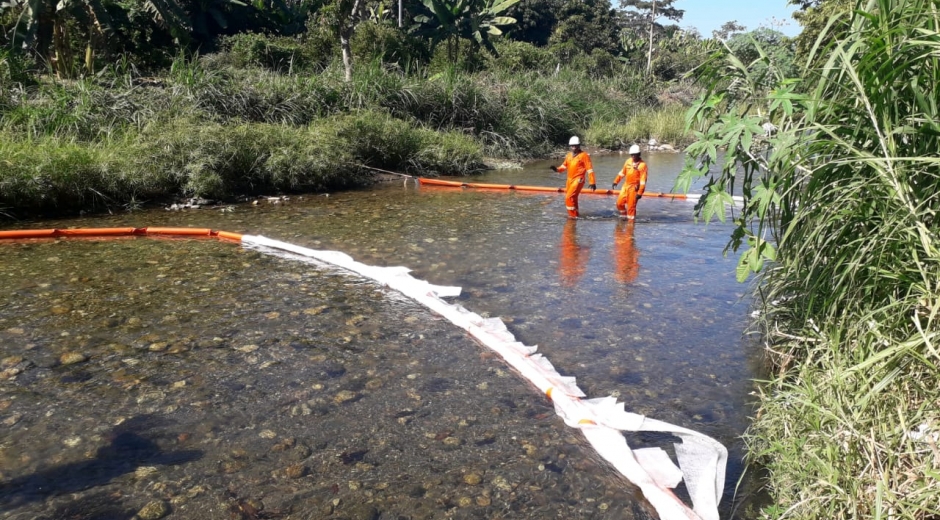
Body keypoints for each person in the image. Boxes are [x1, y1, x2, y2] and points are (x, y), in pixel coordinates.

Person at [549, 136, 596, 219]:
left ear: (579, 145)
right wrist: (556, 169)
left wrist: (592, 182)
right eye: (572, 145)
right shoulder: (569, 155)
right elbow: (564, 166)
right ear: (570, 146)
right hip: (569, 180)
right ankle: (576, 215)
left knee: (569, 197)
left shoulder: (584, 155)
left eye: (576, 145)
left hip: (578, 179)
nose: (574, 147)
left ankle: (572, 217)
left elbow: (589, 169)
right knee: (573, 198)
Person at [611, 144, 648, 220]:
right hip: (625, 186)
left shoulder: (642, 165)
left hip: (634, 189)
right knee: (619, 203)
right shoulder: (628, 161)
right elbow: (622, 172)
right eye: (632, 155)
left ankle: (630, 226)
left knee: (631, 207)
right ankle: (623, 216)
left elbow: (643, 181)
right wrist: (616, 181)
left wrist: (640, 192)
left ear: (639, 154)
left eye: (635, 155)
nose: (633, 157)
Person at [612, 219, 640, 284]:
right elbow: (635, 263)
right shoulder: (631, 275)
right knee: (625, 233)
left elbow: (635, 263)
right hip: (624, 250)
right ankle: (626, 220)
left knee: (626, 233)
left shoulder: (629, 275)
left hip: (624, 249)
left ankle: (627, 220)